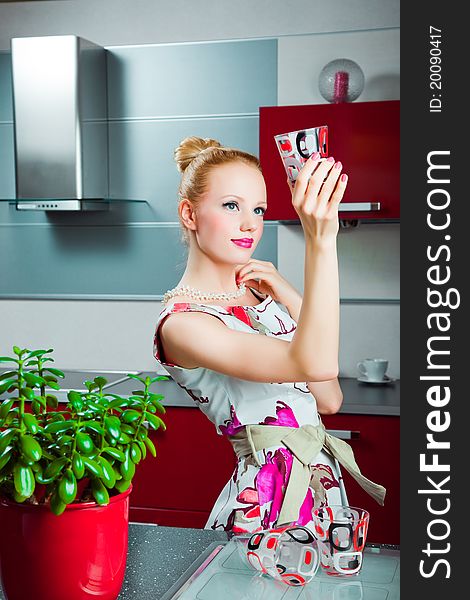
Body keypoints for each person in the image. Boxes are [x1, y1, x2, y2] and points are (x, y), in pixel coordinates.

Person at [153, 136, 385, 534]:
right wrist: (322, 240)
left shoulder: (263, 296)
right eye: (231, 205)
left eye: (258, 209)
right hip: (267, 501)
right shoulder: (184, 323)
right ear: (189, 214)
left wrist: (289, 295)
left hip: (324, 493)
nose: (250, 224)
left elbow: (329, 399)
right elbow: (316, 362)